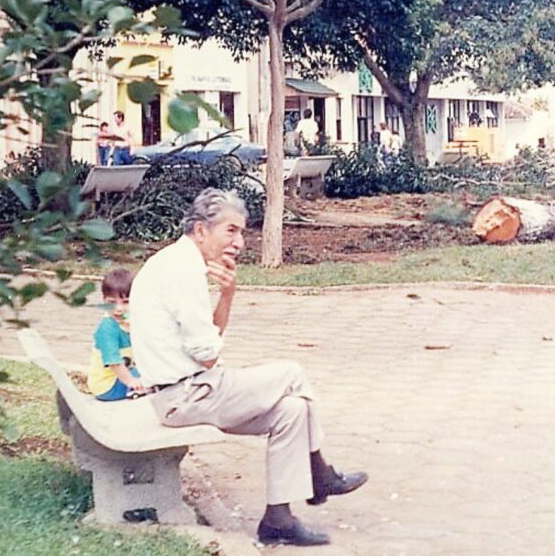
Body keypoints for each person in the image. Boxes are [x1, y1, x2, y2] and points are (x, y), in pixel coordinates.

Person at [129, 189, 367, 546]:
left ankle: (278, 520)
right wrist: (213, 350)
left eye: (242, 232)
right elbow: (207, 355)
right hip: (186, 395)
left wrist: (227, 295)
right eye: (230, 231)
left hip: (190, 391)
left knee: (293, 410)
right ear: (200, 230)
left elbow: (206, 341)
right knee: (293, 373)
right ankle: (321, 475)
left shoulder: (180, 262)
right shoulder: (182, 270)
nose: (239, 242)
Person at [87, 268, 144, 401]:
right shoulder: (107, 328)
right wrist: (131, 382)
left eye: (126, 302)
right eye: (111, 303)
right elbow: (114, 363)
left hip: (123, 374)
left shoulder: (130, 321)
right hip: (107, 385)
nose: (118, 309)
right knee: (153, 380)